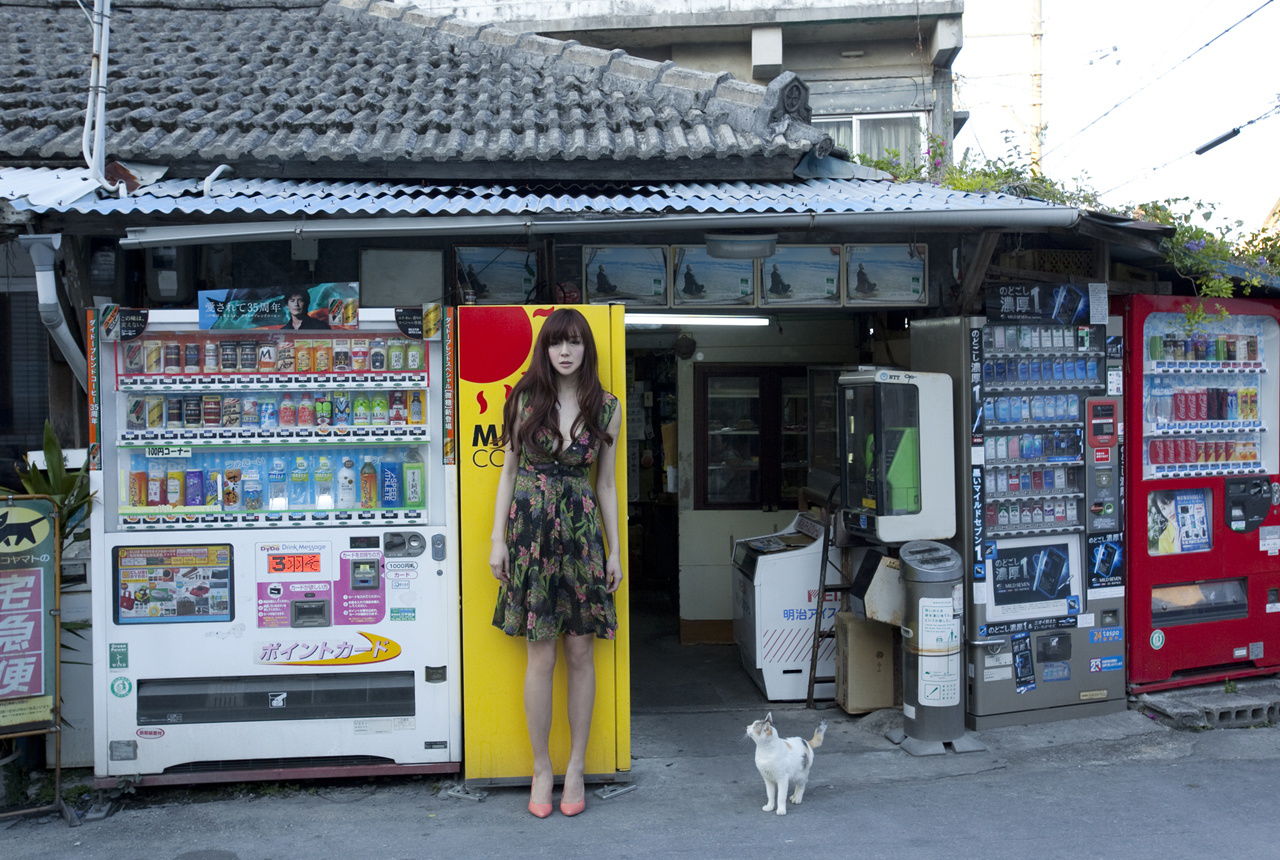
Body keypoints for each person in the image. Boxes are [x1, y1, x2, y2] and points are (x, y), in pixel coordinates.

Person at [489, 307, 622, 819]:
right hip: (529, 537)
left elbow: (605, 484)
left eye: (574, 342)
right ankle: (541, 766)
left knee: (582, 654)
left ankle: (576, 767)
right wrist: (497, 539)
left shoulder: (605, 406)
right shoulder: (525, 399)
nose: (565, 351)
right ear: (544, 349)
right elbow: (508, 474)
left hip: (582, 536)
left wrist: (613, 550)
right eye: (556, 343)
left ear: (586, 349)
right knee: (540, 657)